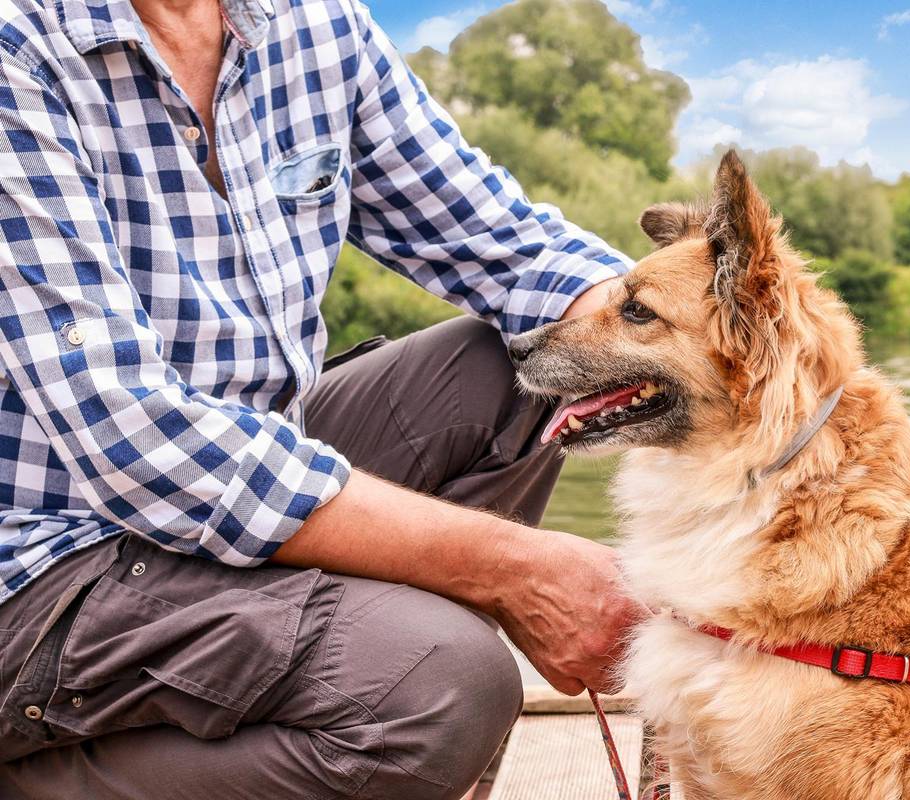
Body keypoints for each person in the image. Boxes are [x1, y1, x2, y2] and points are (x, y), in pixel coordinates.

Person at [0, 0, 643, 797]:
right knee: (444, 684)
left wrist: (709, 345)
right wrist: (516, 571)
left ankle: (341, 703)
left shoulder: (313, 23)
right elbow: (135, 436)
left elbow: (513, 248)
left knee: (541, 364)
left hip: (232, 489)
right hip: (44, 563)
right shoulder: (17, 48)